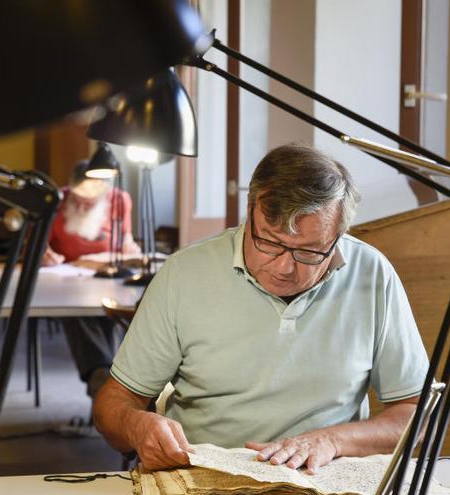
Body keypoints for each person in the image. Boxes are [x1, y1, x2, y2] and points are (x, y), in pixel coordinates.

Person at [93, 144, 429, 473]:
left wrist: (333, 440)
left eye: (309, 252)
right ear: (250, 211)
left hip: (324, 478)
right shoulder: (183, 274)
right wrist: (137, 426)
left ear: (338, 235)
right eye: (268, 242)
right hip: (205, 476)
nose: (284, 267)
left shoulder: (371, 274)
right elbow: (113, 403)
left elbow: (417, 413)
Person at [41, 160, 140, 433]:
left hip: (111, 277)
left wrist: (129, 250)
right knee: (79, 312)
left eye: (91, 199)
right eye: (80, 198)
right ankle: (104, 386)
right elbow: (38, 244)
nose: (84, 204)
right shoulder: (58, 200)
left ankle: (106, 386)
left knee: (120, 313)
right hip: (69, 279)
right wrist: (43, 253)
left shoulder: (119, 199)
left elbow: (127, 239)